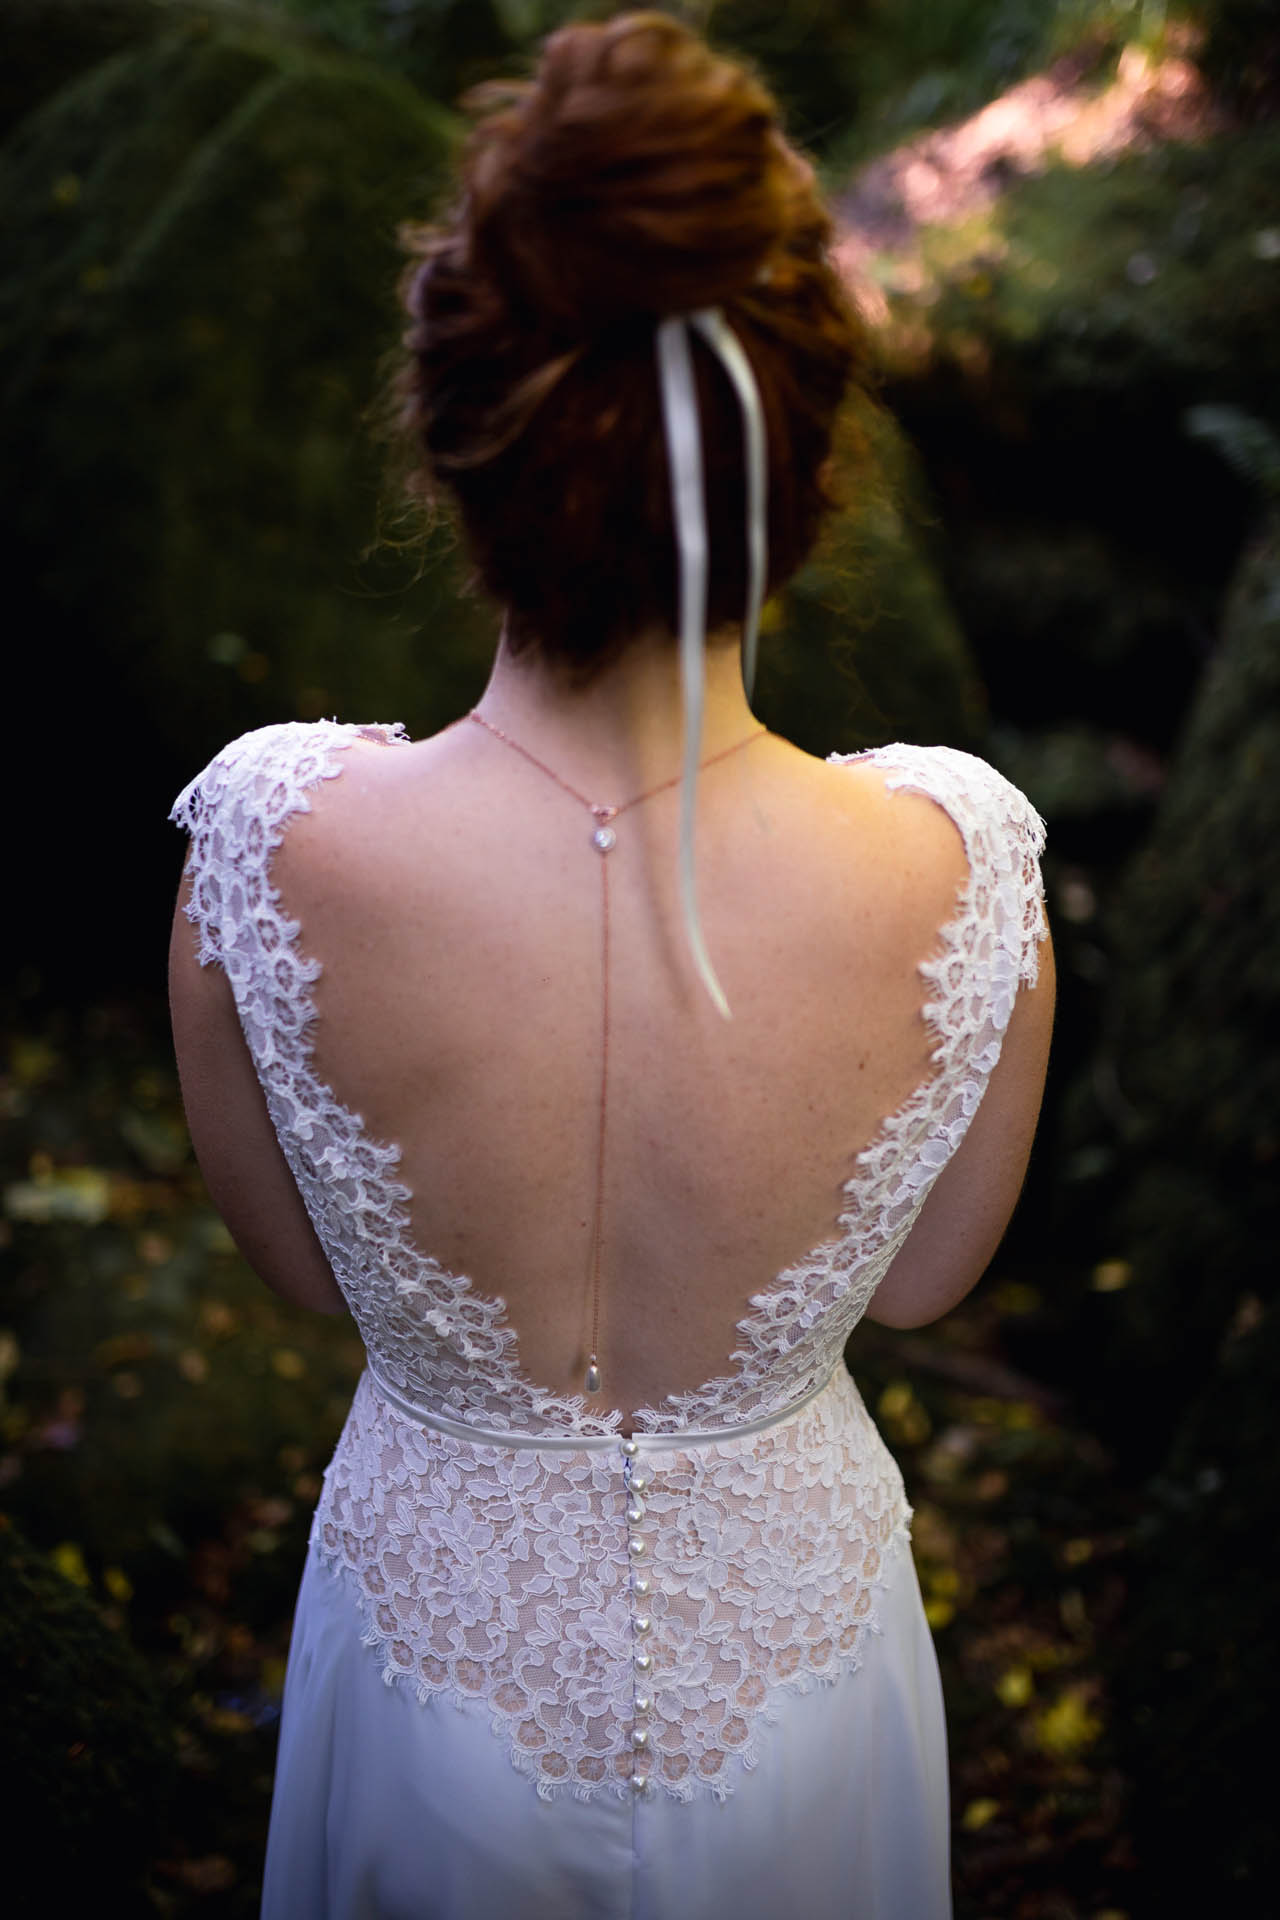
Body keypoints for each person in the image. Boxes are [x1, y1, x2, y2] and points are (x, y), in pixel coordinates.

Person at [168, 13, 1054, 1918]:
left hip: (426, 1679)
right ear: (805, 455)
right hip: (807, 1681)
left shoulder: (265, 846)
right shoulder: (964, 862)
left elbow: (306, 1271)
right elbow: (917, 1287)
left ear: (457, 432)